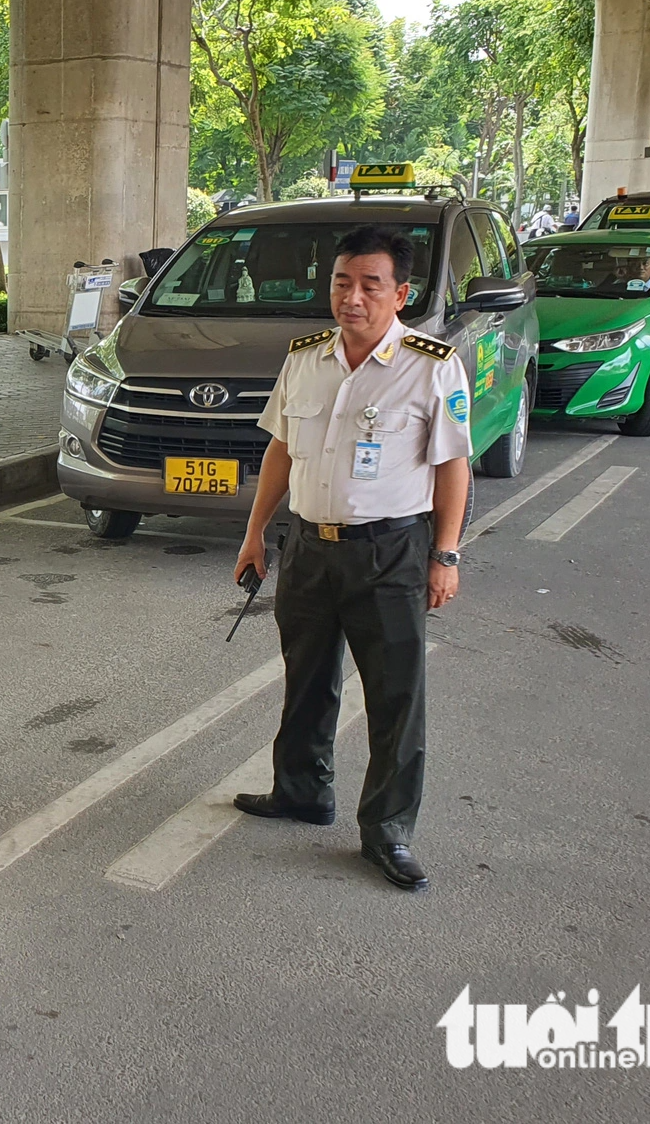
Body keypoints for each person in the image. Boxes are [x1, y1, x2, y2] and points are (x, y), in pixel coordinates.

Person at [230, 224, 472, 893]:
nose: (353, 297)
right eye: (342, 282)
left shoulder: (431, 365)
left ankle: (388, 830)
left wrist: (445, 553)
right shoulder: (305, 358)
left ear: (401, 292)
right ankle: (302, 791)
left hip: (390, 551)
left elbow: (453, 466)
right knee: (306, 678)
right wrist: (255, 533)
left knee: (396, 694)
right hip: (308, 546)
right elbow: (279, 449)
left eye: (370, 285)